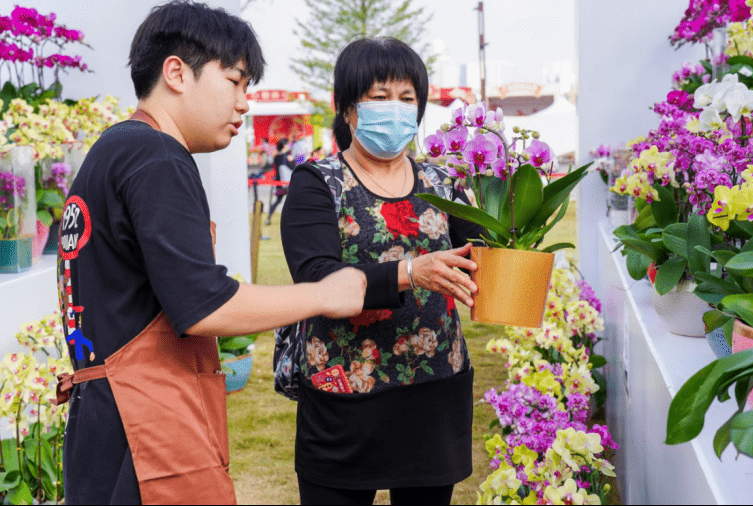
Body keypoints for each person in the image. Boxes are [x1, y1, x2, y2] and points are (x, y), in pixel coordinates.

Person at [54, 2, 366, 504]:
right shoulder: (157, 156)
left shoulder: (111, 150)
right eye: (236, 81)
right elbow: (205, 304)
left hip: (102, 422)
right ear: (176, 72)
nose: (245, 102)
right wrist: (324, 294)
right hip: (147, 430)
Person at [279, 37, 483, 506]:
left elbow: (486, 253)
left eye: (407, 98)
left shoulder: (442, 183)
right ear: (348, 108)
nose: (395, 109)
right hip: (346, 404)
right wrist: (412, 271)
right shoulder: (318, 184)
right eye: (379, 97)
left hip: (434, 397)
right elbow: (317, 278)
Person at [265, 138, 292, 225]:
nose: (288, 146)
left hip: (280, 183)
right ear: (284, 145)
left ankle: (268, 218)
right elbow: (290, 168)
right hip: (286, 183)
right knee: (291, 200)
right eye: (287, 144)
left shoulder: (277, 156)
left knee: (279, 200)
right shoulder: (285, 156)